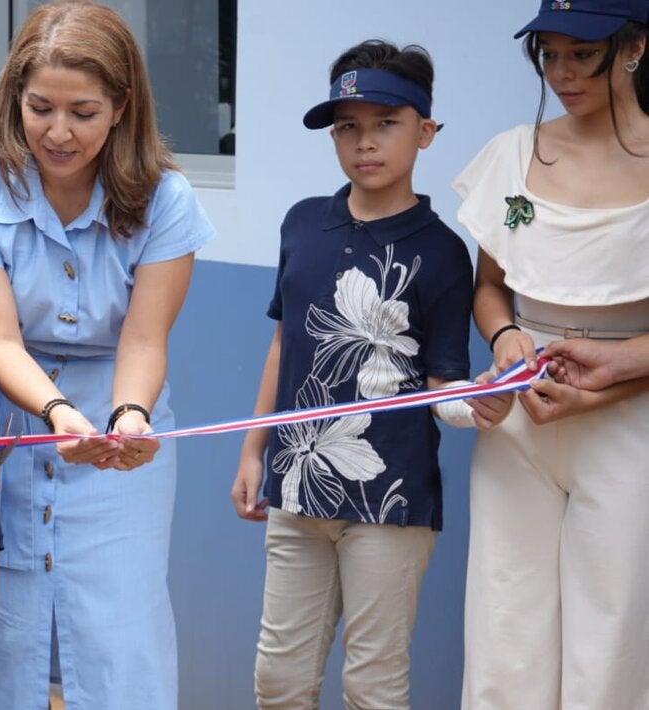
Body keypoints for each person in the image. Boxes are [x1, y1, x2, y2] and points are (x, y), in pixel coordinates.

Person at [0, 2, 215, 706]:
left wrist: (129, 417)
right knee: (0, 617)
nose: (58, 132)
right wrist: (57, 412)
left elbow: (144, 338)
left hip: (121, 412)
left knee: (122, 625)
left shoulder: (167, 199)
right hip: (5, 415)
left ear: (121, 107)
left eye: (83, 113)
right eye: (40, 108)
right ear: (14, 98)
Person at [228, 41, 511, 709]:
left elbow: (444, 384)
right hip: (296, 488)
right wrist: (252, 451)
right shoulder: (302, 224)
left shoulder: (443, 252)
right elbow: (283, 347)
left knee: (374, 686)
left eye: (386, 123)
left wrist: (478, 406)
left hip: (393, 502)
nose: (365, 142)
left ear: (426, 131)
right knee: (279, 680)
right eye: (348, 127)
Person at [453, 1, 649, 706]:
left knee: (613, 637)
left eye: (584, 54)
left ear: (635, 48)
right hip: (521, 419)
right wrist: (505, 338)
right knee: (504, 626)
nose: (563, 74)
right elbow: (489, 287)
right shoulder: (513, 153)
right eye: (550, 55)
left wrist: (619, 370)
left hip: (630, 427)